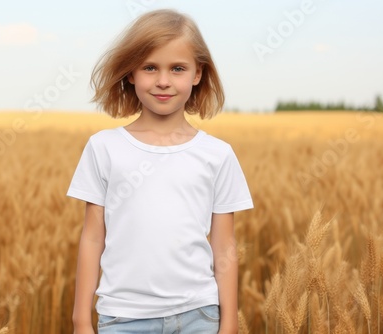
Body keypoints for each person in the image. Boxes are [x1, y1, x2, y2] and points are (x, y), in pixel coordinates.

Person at [67, 9, 253, 334]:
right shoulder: (104, 148)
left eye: (177, 68)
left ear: (197, 74)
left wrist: (230, 323)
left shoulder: (217, 155)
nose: (163, 81)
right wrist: (81, 320)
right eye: (150, 67)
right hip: (123, 318)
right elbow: (93, 237)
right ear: (130, 74)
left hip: (200, 316)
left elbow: (224, 246)